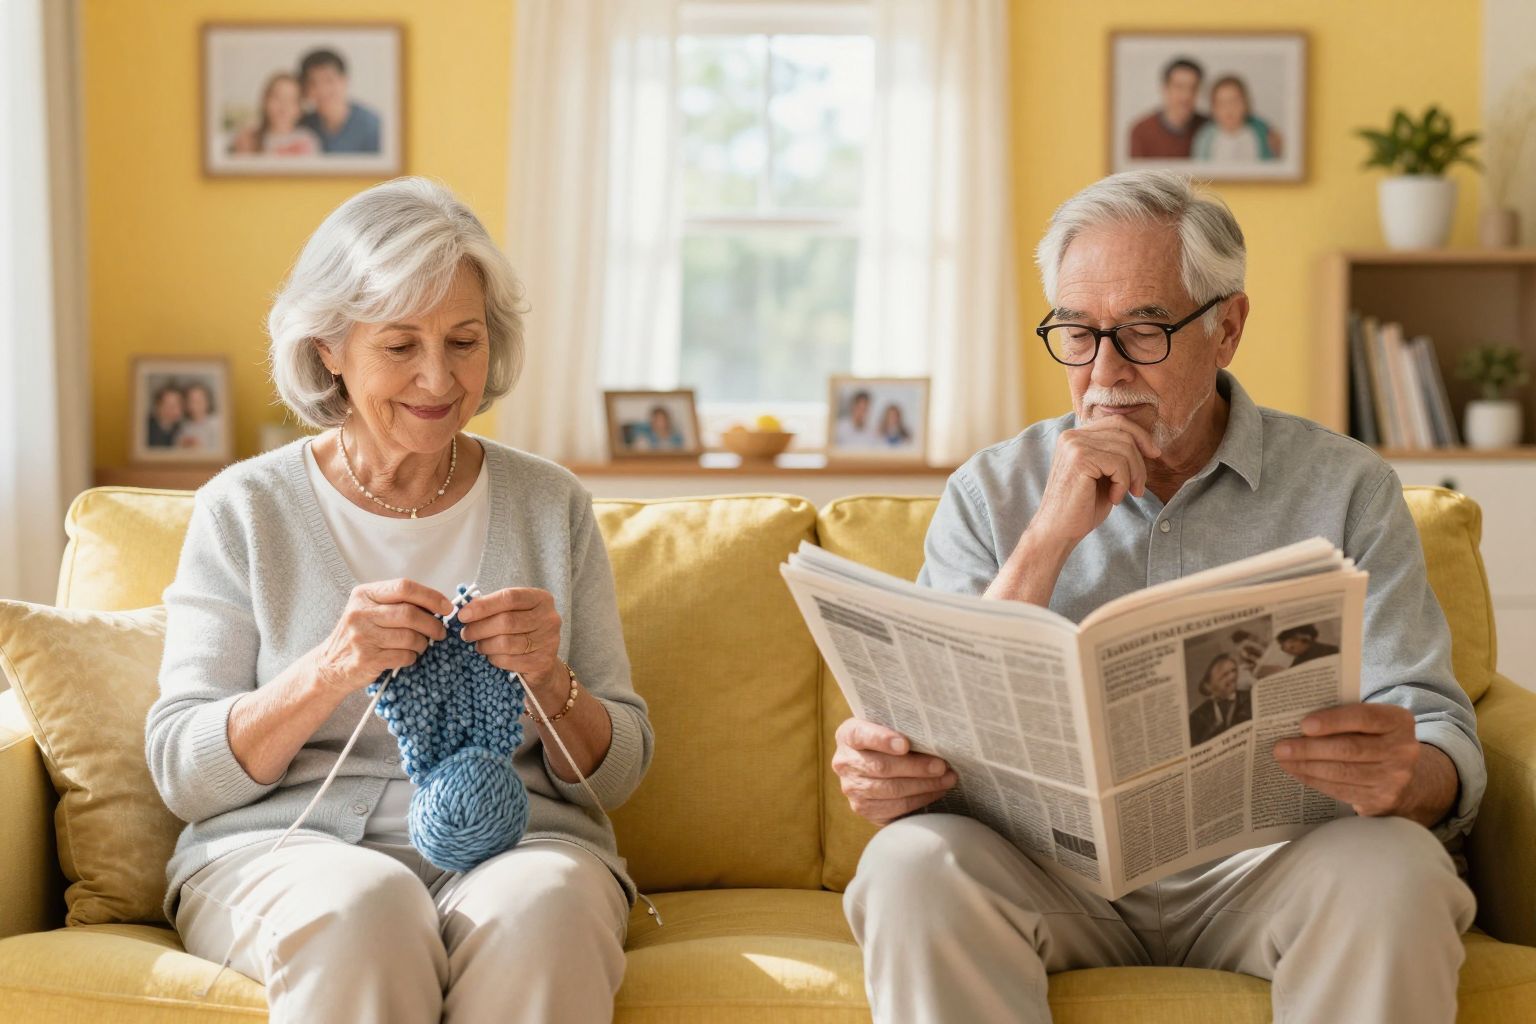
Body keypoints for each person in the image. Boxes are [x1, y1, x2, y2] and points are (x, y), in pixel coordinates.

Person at [835, 170, 1481, 1023]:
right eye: (1077, 333)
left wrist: (1411, 774)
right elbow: (936, 728)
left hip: (1271, 872)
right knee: (910, 866)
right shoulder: (990, 490)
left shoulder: (1347, 488)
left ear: (1227, 329)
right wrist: (1049, 535)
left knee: (1397, 870)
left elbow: (1432, 726)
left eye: (1143, 331)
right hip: (1052, 878)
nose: (1104, 371)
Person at [147, 178, 653, 1023]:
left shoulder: (549, 504)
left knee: (548, 908)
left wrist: (550, 678)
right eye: (399, 344)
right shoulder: (246, 508)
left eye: (464, 341)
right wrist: (328, 671)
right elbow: (181, 771)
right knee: (366, 908)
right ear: (329, 348)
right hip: (289, 848)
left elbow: (624, 768)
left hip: (515, 844)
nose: (438, 377)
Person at [296, 48, 382, 154]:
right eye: (313, 83)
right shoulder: (304, 125)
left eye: (329, 80)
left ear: (344, 81)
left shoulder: (373, 127)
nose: (322, 90)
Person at [1127, 57, 1209, 159]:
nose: (1186, 95)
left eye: (1193, 88)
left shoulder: (1209, 128)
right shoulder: (1142, 131)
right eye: (1179, 87)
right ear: (1165, 89)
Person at [229, 72, 321, 157]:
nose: (283, 106)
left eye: (291, 100)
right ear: (265, 101)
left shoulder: (307, 141)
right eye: (277, 97)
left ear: (299, 109)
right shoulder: (248, 139)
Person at [1192, 75, 1281, 163]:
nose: (1228, 109)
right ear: (1213, 109)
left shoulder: (1260, 133)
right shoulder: (1205, 138)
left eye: (1234, 101)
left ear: (1245, 103)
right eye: (1221, 103)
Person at [1187, 653, 1253, 746]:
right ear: (1207, 685)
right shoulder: (1197, 716)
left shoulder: (1250, 697)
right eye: (1224, 675)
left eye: (1234, 670)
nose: (1232, 676)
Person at [177, 380, 223, 452]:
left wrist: (199, 447)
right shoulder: (184, 426)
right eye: (191, 400)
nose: (195, 405)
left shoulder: (217, 424)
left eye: (199, 400)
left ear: (207, 402)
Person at [146, 384, 185, 448]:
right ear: (158, 407)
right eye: (169, 405)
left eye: (178, 404)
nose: (176, 409)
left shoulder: (181, 429)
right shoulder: (146, 430)